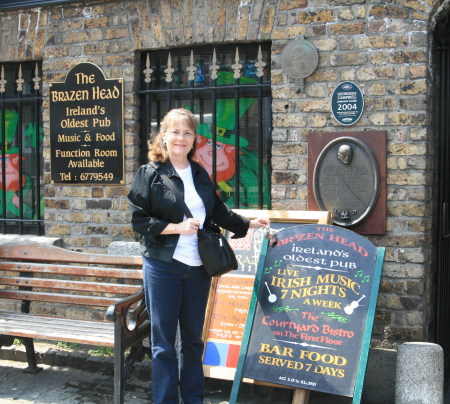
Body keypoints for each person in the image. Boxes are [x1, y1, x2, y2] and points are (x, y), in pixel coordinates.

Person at [127, 108, 270, 404]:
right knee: (164, 343)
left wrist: (248, 223)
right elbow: (138, 221)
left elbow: (217, 211)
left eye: (188, 133)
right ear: (163, 136)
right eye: (175, 132)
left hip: (198, 269)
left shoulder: (200, 173)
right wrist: (176, 227)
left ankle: (193, 399)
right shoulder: (149, 174)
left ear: (195, 139)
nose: (181, 138)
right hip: (163, 267)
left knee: (193, 341)